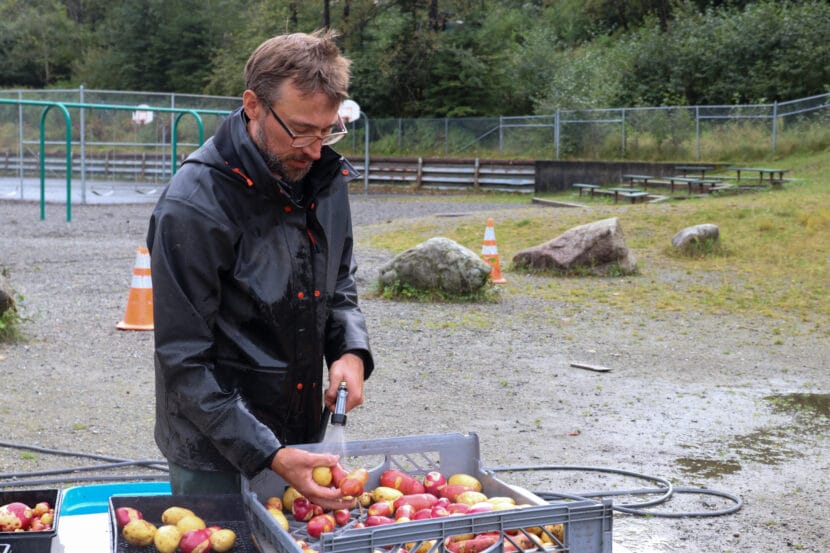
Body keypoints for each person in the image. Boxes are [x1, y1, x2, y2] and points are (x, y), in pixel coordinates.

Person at [146, 29, 373, 509]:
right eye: (300, 130)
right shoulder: (193, 207)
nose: (315, 149)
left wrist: (350, 350)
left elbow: (339, 283)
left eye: (327, 129)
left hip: (302, 434)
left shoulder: (325, 180)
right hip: (212, 454)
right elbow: (184, 361)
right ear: (253, 105)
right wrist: (267, 451)